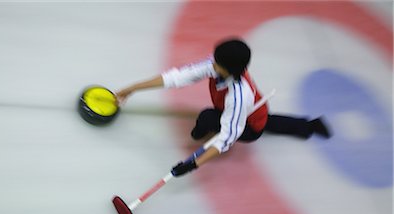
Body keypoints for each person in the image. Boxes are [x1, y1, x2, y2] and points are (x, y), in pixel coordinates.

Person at [116, 38, 331, 177]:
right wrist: (132, 88)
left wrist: (193, 164)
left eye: (216, 63)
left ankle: (202, 130)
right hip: (253, 109)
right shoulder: (218, 65)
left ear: (229, 69)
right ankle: (309, 126)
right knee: (267, 121)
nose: (211, 64)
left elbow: (227, 138)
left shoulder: (237, 97)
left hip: (249, 124)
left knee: (211, 118)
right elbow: (178, 77)